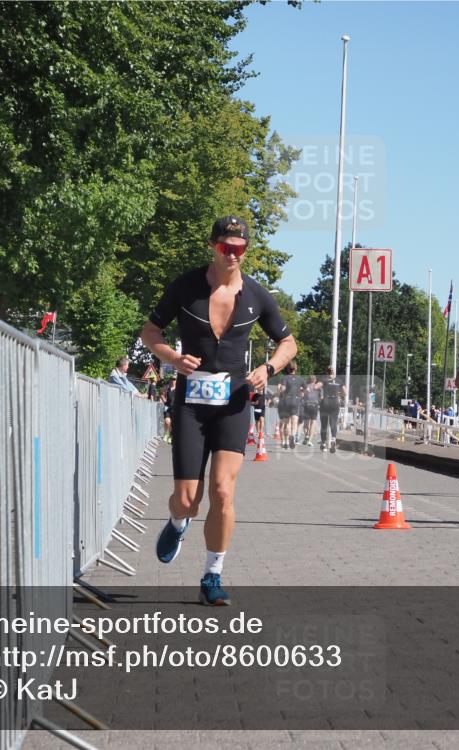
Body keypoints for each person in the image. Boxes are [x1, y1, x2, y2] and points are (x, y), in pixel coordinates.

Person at [140, 216, 296, 605]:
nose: (232, 255)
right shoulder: (186, 287)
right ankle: (177, 522)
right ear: (213, 246)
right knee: (187, 501)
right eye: (226, 248)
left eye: (239, 249)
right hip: (191, 404)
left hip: (234, 402)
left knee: (223, 492)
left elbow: (289, 343)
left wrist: (268, 368)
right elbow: (150, 332)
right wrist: (173, 358)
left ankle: (212, 575)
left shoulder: (257, 295)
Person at [276, 360, 305, 449]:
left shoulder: (285, 378)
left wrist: (279, 392)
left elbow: (282, 388)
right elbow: (306, 390)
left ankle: (286, 442)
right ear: (296, 368)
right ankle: (292, 435)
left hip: (286, 401)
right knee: (295, 422)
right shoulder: (300, 379)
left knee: (286, 423)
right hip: (296, 401)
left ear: (288, 369)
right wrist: (301, 393)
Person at [319, 366, 345, 453]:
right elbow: (345, 392)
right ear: (334, 372)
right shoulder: (339, 380)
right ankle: (333, 439)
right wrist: (339, 395)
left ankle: (323, 444)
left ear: (327, 372)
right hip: (335, 402)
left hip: (325, 402)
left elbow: (316, 387)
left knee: (324, 424)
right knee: (333, 423)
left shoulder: (324, 379)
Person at [301, 375, 320, 446]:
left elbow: (302, 395)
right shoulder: (318, 387)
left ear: (309, 380)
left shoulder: (306, 386)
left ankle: (306, 435)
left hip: (307, 405)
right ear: (315, 380)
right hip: (314, 405)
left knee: (306, 423)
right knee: (313, 423)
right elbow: (321, 397)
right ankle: (310, 441)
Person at [161, 377, 175, 443]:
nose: (172, 381)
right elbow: (162, 394)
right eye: (171, 379)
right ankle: (166, 433)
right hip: (167, 407)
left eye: (174, 380)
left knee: (172, 423)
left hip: (174, 408)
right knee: (167, 421)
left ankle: (170, 436)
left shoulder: (178, 389)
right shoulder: (166, 388)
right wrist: (164, 400)